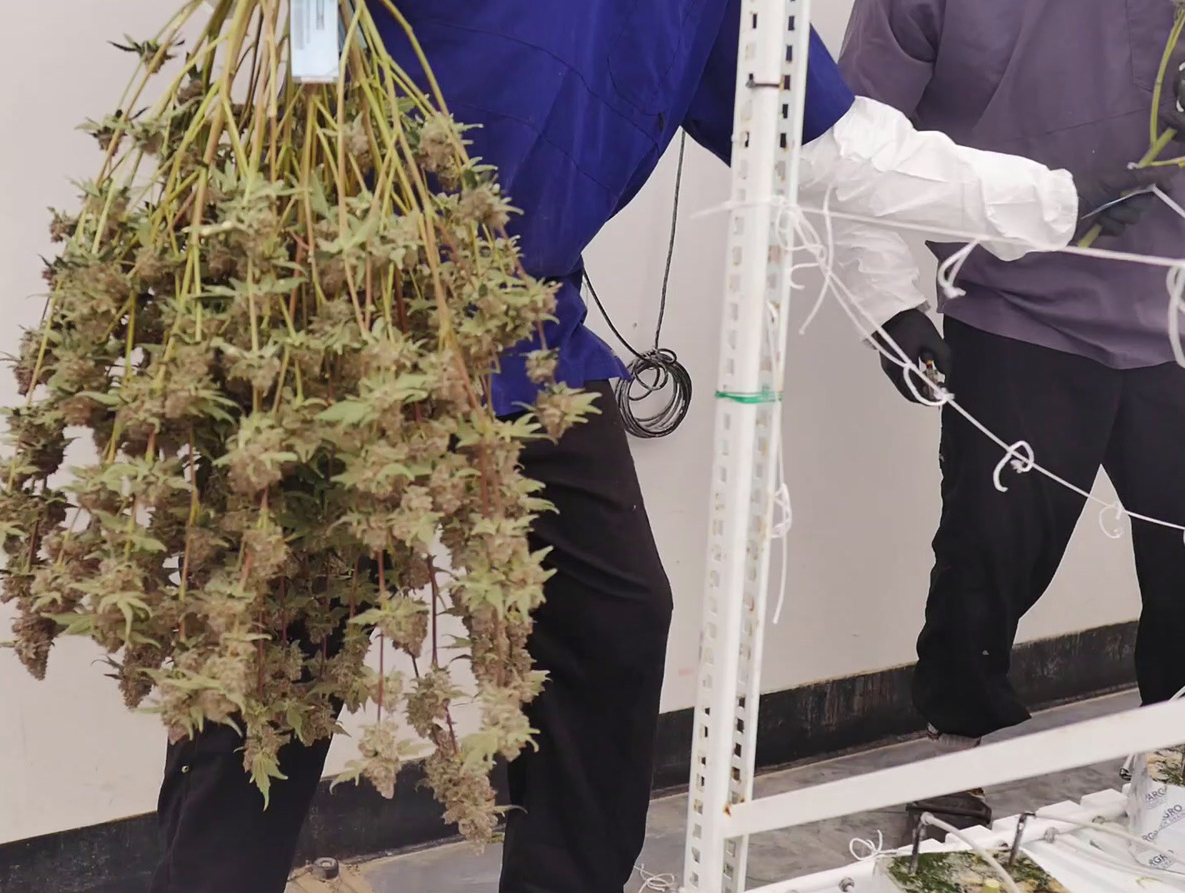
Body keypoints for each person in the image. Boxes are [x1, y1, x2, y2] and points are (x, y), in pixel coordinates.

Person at [149, 2, 1165, 890]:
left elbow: (820, 143)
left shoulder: (706, 6)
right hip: (343, 306)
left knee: (611, 616)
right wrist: (302, 132)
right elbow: (313, 32)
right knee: (284, 645)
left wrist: (1057, 199)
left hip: (523, 330)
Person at [840, 0, 1185, 834]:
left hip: (1176, 311)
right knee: (988, 549)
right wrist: (889, 304)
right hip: (1015, 303)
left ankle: (1172, 756)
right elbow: (846, 139)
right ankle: (958, 751)